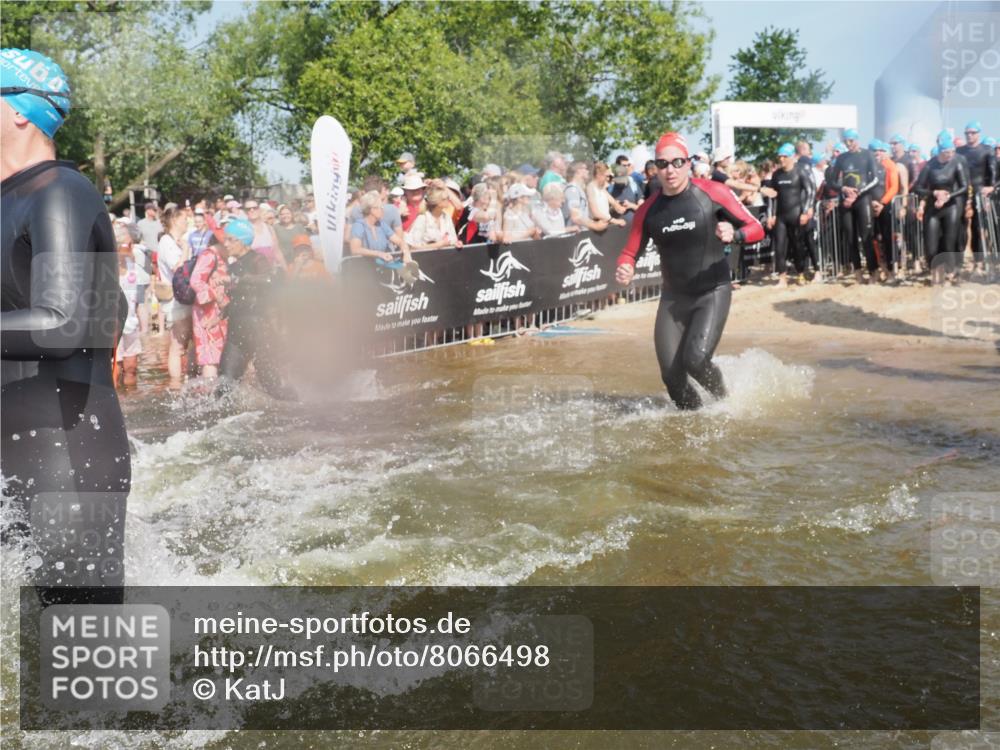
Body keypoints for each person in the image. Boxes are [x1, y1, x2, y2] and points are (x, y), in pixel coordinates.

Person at [1, 48, 130, 596]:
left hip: (67, 457)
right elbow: (113, 308)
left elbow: (64, 322)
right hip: (12, 448)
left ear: (19, 111)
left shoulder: (61, 192)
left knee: (81, 664)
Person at [615, 132, 763, 410]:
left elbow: (757, 227)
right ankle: (694, 420)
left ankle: (726, 407)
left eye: (677, 161)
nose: (670, 170)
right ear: (656, 167)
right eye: (662, 163)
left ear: (687, 163)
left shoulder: (712, 192)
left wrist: (736, 233)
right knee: (672, 376)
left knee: (695, 360)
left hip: (712, 292)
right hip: (674, 299)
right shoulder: (649, 210)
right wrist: (625, 266)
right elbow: (629, 251)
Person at [215, 218, 294, 399]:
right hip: (236, 334)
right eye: (224, 239)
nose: (225, 244)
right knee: (224, 386)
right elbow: (240, 298)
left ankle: (297, 409)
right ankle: (218, 424)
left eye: (230, 239)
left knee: (273, 388)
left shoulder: (258, 260)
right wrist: (222, 312)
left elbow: (270, 281)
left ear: (242, 241)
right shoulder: (233, 266)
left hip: (259, 332)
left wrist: (237, 280)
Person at [913, 131, 969, 284]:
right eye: (947, 153)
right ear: (940, 152)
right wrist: (934, 193)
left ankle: (949, 271)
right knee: (931, 245)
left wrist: (948, 195)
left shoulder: (957, 163)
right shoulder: (930, 165)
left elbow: (964, 186)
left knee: (949, 242)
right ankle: (935, 270)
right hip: (933, 206)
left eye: (952, 152)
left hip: (951, 205)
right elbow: (918, 188)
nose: (950, 155)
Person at [828, 128, 880, 283]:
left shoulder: (867, 155)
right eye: (846, 141)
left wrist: (858, 192)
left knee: (866, 237)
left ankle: (873, 271)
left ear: (857, 140)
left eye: (851, 141)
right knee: (850, 239)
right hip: (846, 200)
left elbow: (875, 180)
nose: (848, 144)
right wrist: (843, 189)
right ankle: (857, 272)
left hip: (862, 199)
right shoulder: (842, 158)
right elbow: (832, 181)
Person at [766, 143, 815, 287]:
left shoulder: (800, 171)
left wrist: (806, 211)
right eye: (780, 156)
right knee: (780, 247)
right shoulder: (776, 174)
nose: (781, 159)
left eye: (784, 156)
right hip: (781, 216)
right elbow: (772, 196)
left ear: (792, 156)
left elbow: (810, 191)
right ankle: (782, 278)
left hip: (797, 214)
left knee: (798, 246)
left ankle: (800, 273)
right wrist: (771, 215)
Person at [157, 205, 194, 380]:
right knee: (178, 344)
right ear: (174, 220)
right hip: (175, 300)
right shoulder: (166, 241)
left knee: (187, 343)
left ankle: (186, 380)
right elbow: (178, 267)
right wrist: (186, 249)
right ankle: (176, 385)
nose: (187, 221)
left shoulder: (177, 241)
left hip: (185, 297)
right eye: (183, 218)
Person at [957, 120, 997, 272]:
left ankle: (979, 261)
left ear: (978, 134)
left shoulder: (987, 150)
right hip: (962, 191)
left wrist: (990, 187)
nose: (969, 136)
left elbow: (992, 171)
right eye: (967, 133)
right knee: (959, 227)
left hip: (980, 191)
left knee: (978, 227)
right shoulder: (960, 151)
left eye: (972, 133)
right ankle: (958, 260)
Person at [189, 236, 230, 380]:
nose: (231, 244)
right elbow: (195, 281)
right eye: (229, 241)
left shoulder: (227, 254)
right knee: (210, 357)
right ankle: (209, 395)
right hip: (207, 311)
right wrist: (215, 294)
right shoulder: (209, 255)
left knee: (223, 354)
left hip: (223, 310)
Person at [113, 224, 142, 387]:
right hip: (112, 326)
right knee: (114, 370)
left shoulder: (134, 264)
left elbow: (139, 297)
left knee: (131, 368)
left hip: (131, 323)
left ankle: (132, 401)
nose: (132, 248)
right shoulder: (106, 266)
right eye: (128, 244)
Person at [349, 191, 411, 261]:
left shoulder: (381, 224)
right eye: (380, 207)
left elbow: (400, 241)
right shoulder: (358, 226)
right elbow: (355, 249)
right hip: (364, 268)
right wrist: (379, 254)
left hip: (381, 267)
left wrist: (405, 251)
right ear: (371, 210)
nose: (383, 209)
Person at [587, 161, 633, 226]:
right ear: (598, 174)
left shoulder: (601, 188)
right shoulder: (590, 188)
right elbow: (595, 213)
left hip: (604, 226)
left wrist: (619, 207)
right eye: (606, 176)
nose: (607, 179)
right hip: (595, 227)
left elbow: (613, 202)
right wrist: (615, 221)